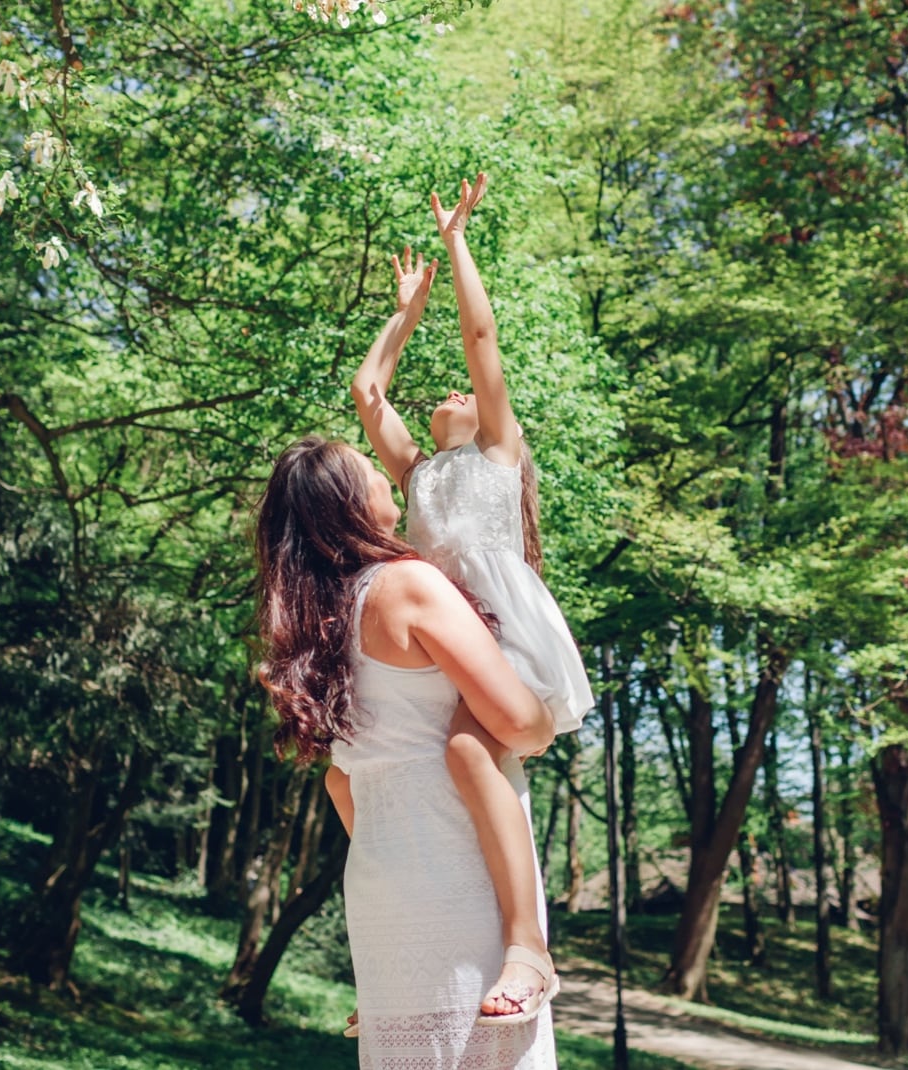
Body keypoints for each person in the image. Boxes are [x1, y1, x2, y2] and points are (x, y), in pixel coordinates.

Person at [328, 173, 594, 1029]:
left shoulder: (497, 457)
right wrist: (405, 310)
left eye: (463, 396)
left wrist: (457, 244)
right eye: (439, 394)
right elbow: (370, 393)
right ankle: (397, 961)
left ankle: (529, 949)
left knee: (471, 756)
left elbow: (482, 336)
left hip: (502, 644)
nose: (450, 392)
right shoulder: (417, 475)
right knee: (345, 776)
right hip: (448, 647)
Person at [256, 435, 558, 1068]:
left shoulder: (314, 623)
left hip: (381, 883)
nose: (383, 474)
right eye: (369, 469)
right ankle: (529, 950)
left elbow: (343, 780)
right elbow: (527, 727)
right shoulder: (409, 586)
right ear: (349, 502)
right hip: (459, 864)